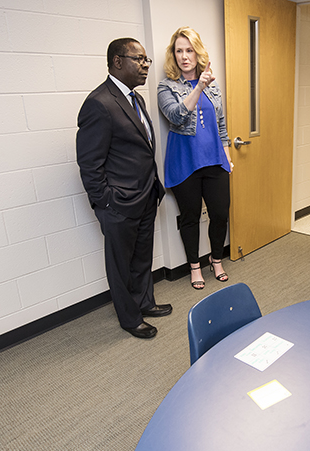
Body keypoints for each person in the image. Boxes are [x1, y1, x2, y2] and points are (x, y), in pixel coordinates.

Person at [76, 38, 172, 339]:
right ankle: (130, 319)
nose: (145, 65)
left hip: (145, 195)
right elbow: (89, 163)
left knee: (143, 257)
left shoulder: (136, 98)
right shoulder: (99, 103)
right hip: (118, 203)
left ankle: (145, 302)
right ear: (118, 61)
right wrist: (106, 203)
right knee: (120, 264)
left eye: (147, 60)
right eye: (139, 59)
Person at [157, 27, 233, 290]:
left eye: (189, 50)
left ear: (197, 52)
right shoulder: (166, 87)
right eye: (179, 51)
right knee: (189, 218)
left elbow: (221, 127)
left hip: (215, 161)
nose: (184, 56)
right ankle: (194, 266)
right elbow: (176, 116)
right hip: (185, 164)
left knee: (220, 214)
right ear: (173, 55)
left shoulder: (214, 87)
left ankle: (216, 259)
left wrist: (228, 157)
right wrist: (199, 87)